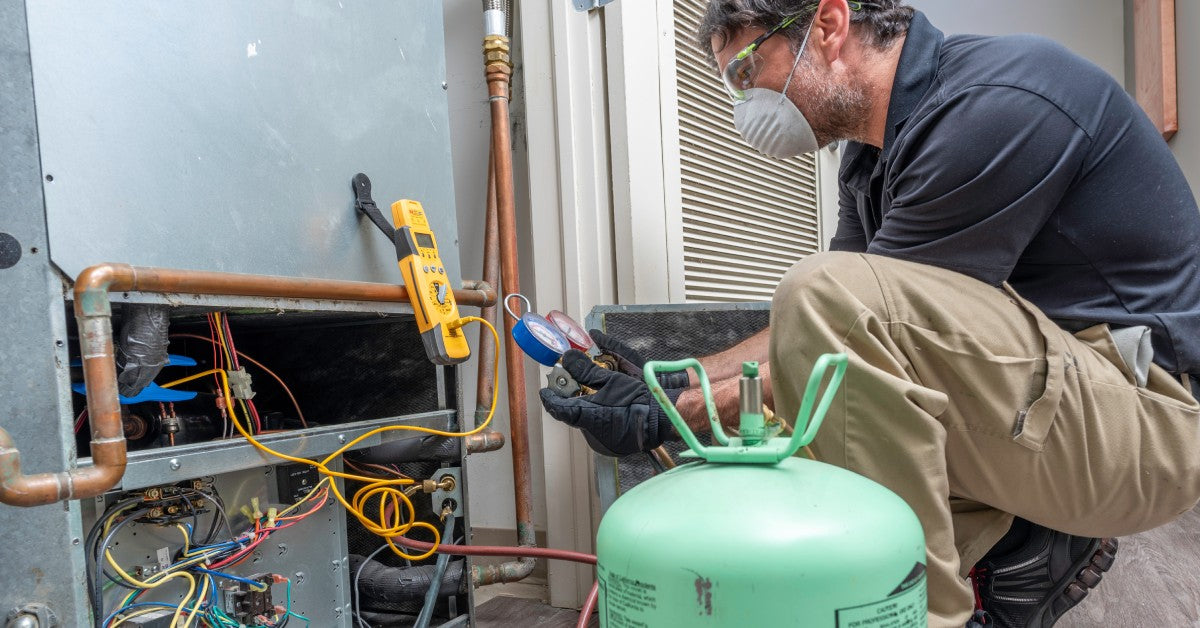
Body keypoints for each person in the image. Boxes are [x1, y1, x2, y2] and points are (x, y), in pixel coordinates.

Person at [539, 1, 1200, 626]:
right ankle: (1020, 553)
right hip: (1065, 412)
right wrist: (670, 382)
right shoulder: (871, 159)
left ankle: (920, 612)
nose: (743, 102)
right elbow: (819, 337)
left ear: (827, 23)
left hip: (1151, 428)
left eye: (746, 70)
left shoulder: (996, 104)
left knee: (824, 313)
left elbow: (837, 325)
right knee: (828, 366)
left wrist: (671, 411)